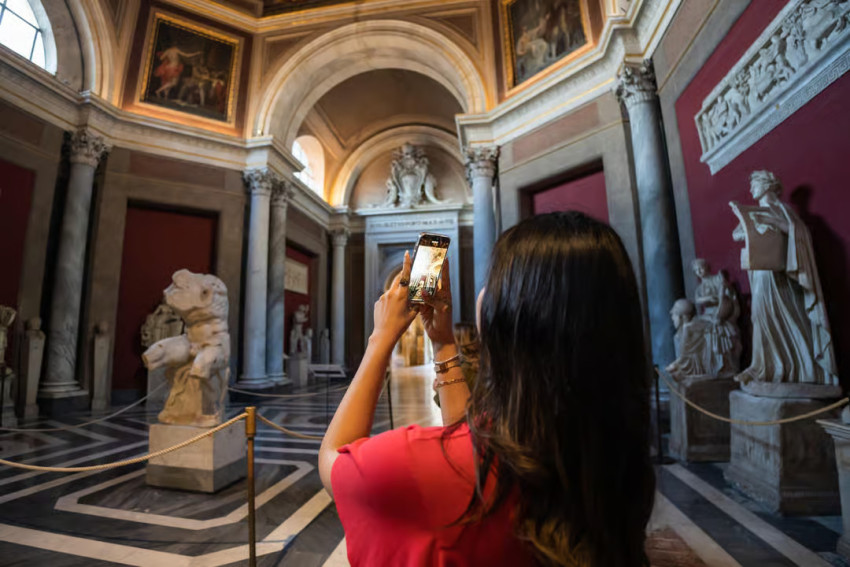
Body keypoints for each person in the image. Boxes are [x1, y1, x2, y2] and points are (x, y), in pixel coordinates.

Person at [319, 212, 655, 566]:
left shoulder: (418, 466)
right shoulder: (604, 449)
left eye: (493, 283)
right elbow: (472, 440)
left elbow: (335, 461)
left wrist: (380, 340)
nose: (483, 293)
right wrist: (444, 343)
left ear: (516, 318)